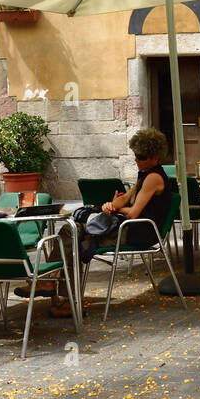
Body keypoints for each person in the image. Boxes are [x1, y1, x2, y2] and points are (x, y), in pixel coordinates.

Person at [65, 128, 174, 315]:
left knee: (72, 240)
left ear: (155, 157)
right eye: (135, 155)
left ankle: (66, 298)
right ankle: (61, 293)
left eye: (141, 157)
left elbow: (133, 213)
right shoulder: (144, 174)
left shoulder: (153, 178)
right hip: (128, 228)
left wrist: (116, 208)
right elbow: (124, 199)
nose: (136, 160)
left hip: (138, 232)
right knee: (70, 231)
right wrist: (110, 204)